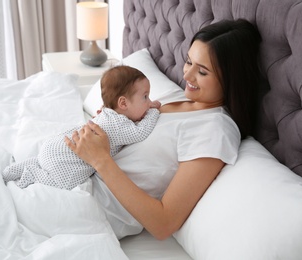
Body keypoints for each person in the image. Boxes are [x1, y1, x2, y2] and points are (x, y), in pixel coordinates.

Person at [65, 19, 262, 240]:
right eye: (189, 62)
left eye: (203, 72)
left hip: (94, 208)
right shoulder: (177, 101)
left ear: (231, 79)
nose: (186, 75)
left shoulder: (216, 129)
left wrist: (100, 160)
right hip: (75, 179)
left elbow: (164, 223)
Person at [2, 65, 161, 190]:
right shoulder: (119, 125)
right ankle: (31, 175)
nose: (149, 102)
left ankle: (13, 170)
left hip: (54, 146)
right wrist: (154, 110)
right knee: (61, 182)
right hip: (64, 161)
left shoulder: (106, 113)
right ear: (123, 103)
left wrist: (146, 105)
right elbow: (141, 132)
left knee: (39, 161)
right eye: (145, 97)